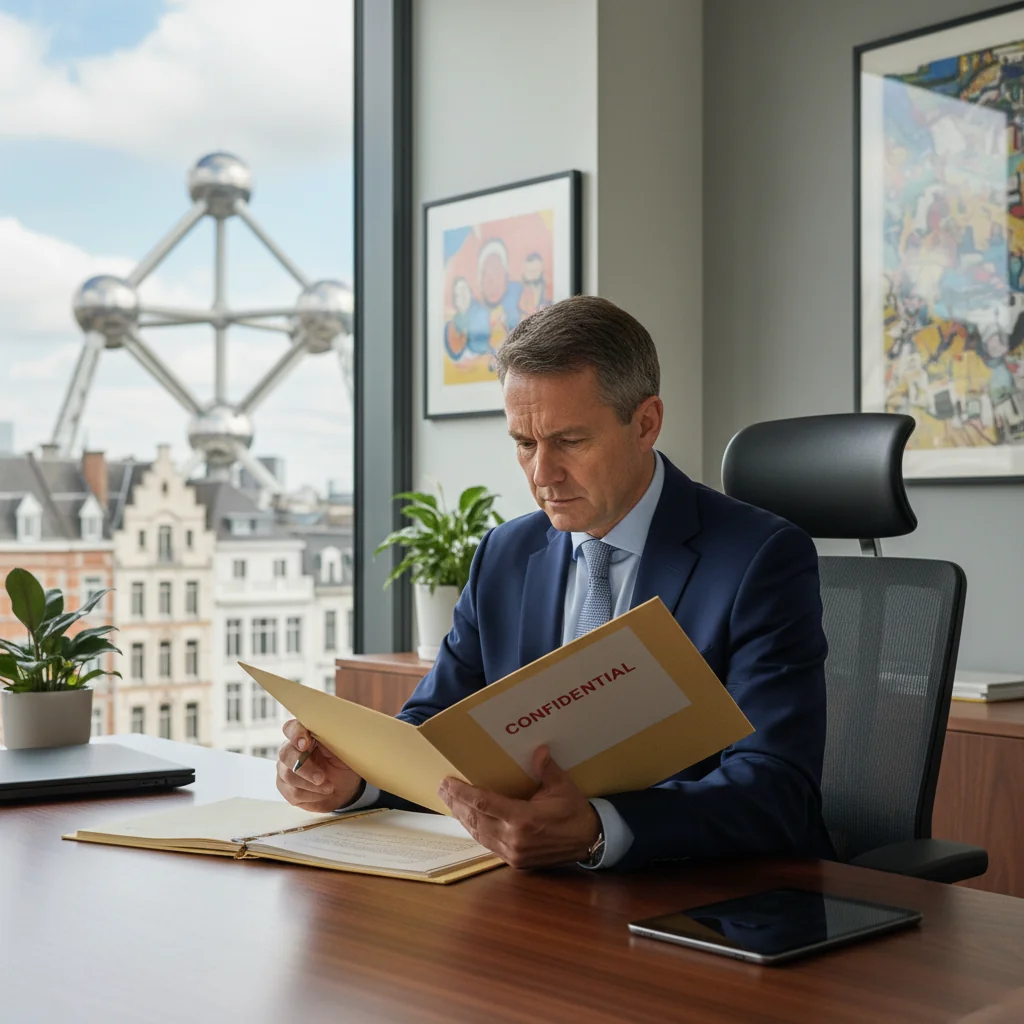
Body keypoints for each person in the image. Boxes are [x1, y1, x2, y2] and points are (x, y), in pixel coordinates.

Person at [276, 295, 835, 871]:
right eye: (524, 443)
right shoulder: (504, 553)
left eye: (570, 441)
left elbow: (776, 787)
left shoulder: (759, 558)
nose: (542, 475)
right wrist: (359, 779)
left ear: (646, 423)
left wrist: (599, 830)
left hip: (709, 898)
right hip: (532, 893)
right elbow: (433, 733)